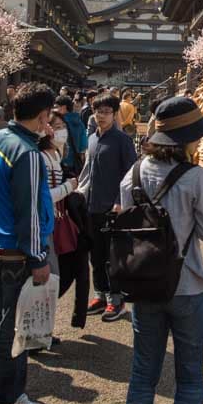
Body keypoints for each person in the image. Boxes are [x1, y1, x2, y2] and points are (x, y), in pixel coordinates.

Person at [120, 96, 203, 404]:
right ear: (186, 139)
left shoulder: (134, 174)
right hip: (187, 283)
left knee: (143, 371)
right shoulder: (195, 176)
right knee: (189, 375)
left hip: (143, 281)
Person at [0, 83, 55, 404]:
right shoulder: (28, 155)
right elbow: (29, 212)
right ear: (43, 115)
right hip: (18, 254)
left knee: (2, 326)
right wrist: (38, 257)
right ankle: (8, 398)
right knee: (15, 332)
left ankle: (6, 395)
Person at [78, 92, 136, 323]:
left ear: (115, 114)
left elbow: (130, 174)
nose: (101, 116)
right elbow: (87, 173)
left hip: (113, 208)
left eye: (106, 112)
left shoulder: (122, 141)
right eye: (97, 112)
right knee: (96, 255)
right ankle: (100, 295)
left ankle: (116, 300)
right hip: (92, 206)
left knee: (113, 257)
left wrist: (121, 201)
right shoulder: (92, 139)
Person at [38, 112, 82, 336]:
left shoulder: (55, 155)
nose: (60, 131)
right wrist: (69, 187)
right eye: (55, 126)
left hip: (54, 221)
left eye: (62, 126)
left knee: (57, 275)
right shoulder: (44, 157)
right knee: (51, 277)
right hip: (48, 223)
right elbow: (44, 196)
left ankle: (42, 329)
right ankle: (39, 331)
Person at [55, 95, 89, 177]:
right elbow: (84, 146)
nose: (55, 109)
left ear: (63, 107)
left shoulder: (59, 123)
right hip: (74, 164)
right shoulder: (79, 122)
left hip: (60, 162)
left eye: (57, 107)